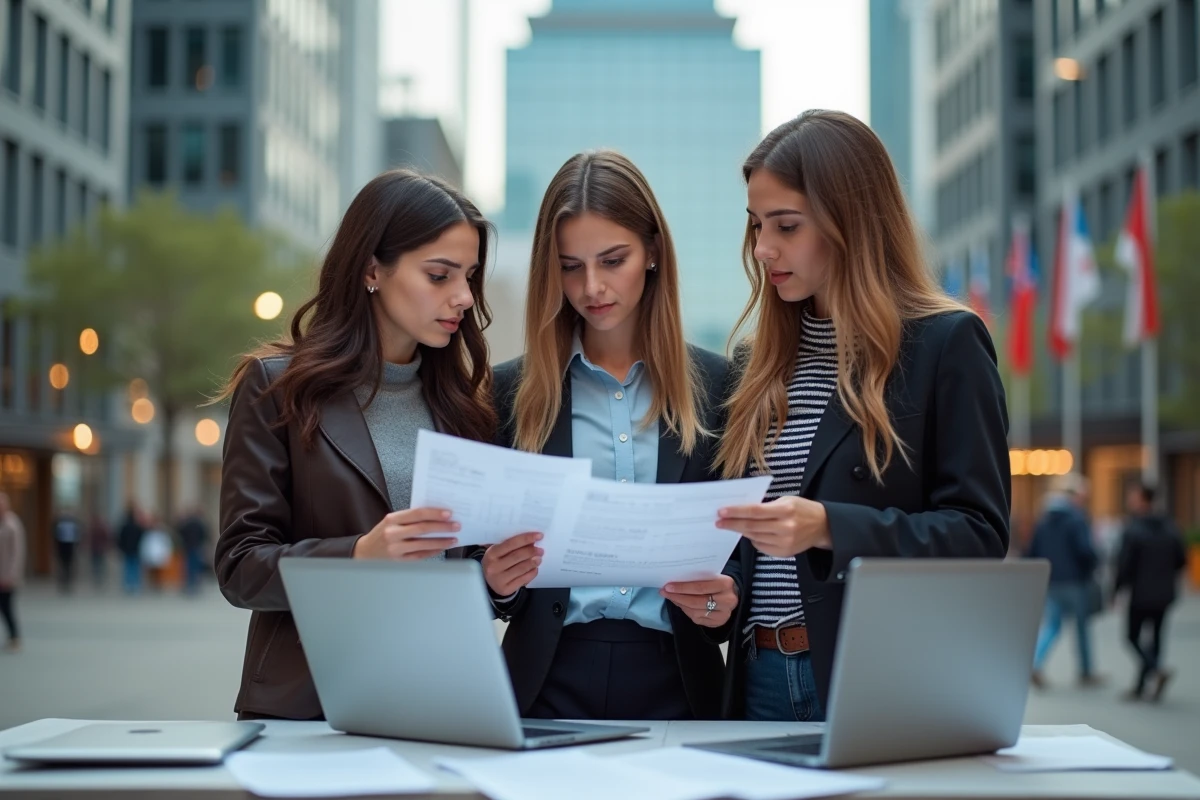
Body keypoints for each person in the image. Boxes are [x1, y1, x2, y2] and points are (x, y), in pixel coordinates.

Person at [710, 110, 1011, 721]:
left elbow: (979, 534)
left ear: (849, 221)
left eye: (786, 226)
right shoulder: (757, 362)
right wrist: (727, 588)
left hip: (872, 677)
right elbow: (753, 537)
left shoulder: (945, 343)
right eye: (757, 225)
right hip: (755, 675)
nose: (764, 248)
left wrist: (830, 527)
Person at [215, 170, 499, 721]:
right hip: (313, 702)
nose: (463, 297)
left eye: (468, 276)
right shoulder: (277, 388)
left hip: (445, 697)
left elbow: (463, 571)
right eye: (439, 275)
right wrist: (358, 555)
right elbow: (240, 566)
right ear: (372, 268)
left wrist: (496, 581)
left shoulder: (465, 406)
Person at [480, 151, 739, 720]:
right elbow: (479, 563)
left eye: (612, 260)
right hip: (542, 682)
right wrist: (495, 582)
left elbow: (744, 551)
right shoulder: (508, 393)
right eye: (570, 266)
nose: (592, 287)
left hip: (682, 679)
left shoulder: (721, 387)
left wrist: (727, 598)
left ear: (652, 251)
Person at [1027, 473, 1103, 689]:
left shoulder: (1044, 519)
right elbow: (1085, 550)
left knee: (1052, 625)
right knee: (1081, 627)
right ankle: (1086, 671)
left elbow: (1033, 551)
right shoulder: (1077, 519)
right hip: (1075, 581)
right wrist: (1092, 568)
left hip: (1051, 579)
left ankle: (1034, 664)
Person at [1113, 483, 1187, 702]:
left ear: (1142, 499)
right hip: (1165, 593)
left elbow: (1124, 564)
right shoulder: (1170, 526)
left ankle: (1154, 670)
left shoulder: (1133, 529)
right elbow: (1180, 560)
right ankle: (1144, 684)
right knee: (1156, 637)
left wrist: (1117, 590)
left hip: (1140, 593)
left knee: (1132, 636)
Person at [0, 493, 25, 653]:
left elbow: (17, 552)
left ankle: (14, 636)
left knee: (7, 607)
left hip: (7, 575)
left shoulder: (12, 524)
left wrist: (11, 574)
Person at [177, 509, 209, 595]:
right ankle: (196, 585)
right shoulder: (200, 524)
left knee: (189, 567)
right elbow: (205, 535)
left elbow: (180, 532)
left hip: (188, 547)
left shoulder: (187, 524)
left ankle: (189, 586)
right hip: (197, 547)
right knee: (196, 567)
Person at [51, 508, 83, 594]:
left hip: (67, 547)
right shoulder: (63, 524)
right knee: (65, 566)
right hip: (65, 547)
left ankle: (66, 581)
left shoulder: (64, 524)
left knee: (66, 566)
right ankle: (65, 581)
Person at [117, 505, 145, 594]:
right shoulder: (138, 527)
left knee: (128, 567)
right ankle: (134, 585)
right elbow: (142, 538)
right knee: (134, 568)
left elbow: (120, 538)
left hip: (128, 550)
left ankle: (129, 585)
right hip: (135, 550)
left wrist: (122, 548)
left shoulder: (125, 526)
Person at [87, 512, 111, 588]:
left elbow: (106, 538)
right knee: (98, 563)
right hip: (98, 548)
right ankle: (98, 576)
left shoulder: (95, 528)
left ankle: (98, 576)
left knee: (97, 563)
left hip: (97, 548)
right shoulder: (98, 528)